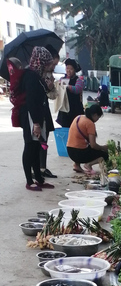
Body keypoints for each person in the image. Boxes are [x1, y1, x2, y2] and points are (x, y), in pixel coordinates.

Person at [18, 47, 55, 191]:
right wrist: (36, 123)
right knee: (30, 147)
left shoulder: (36, 75)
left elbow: (40, 94)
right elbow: (31, 101)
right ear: (41, 62)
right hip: (30, 117)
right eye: (47, 63)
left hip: (37, 116)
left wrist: (48, 86)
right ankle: (29, 180)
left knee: (36, 147)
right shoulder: (30, 76)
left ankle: (38, 178)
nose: (48, 66)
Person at [66, 102, 108, 174]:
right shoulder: (90, 124)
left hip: (70, 151)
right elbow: (93, 145)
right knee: (104, 155)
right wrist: (103, 147)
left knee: (81, 143)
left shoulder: (78, 117)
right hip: (79, 154)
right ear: (95, 115)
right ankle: (88, 165)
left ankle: (77, 165)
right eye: (98, 117)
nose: (98, 119)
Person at [39, 44, 60, 179]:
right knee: (38, 140)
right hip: (37, 111)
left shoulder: (49, 75)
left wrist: (50, 87)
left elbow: (52, 95)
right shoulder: (35, 74)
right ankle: (37, 169)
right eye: (53, 64)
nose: (54, 67)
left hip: (44, 107)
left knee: (44, 138)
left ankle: (42, 167)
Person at [56, 58, 84, 128]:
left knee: (75, 128)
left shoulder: (78, 80)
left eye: (71, 69)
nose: (68, 70)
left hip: (75, 109)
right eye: (67, 68)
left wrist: (68, 87)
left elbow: (77, 89)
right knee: (65, 128)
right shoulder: (62, 79)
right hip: (64, 110)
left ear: (74, 70)